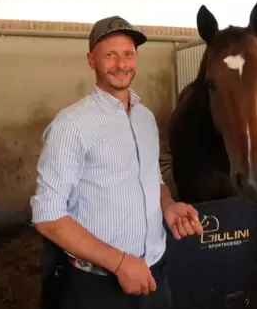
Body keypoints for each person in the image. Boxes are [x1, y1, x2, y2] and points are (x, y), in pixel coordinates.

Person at [29, 15, 204, 309]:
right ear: (91, 60)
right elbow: (47, 216)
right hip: (98, 286)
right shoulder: (71, 124)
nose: (121, 64)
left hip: (154, 274)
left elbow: (152, 178)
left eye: (128, 54)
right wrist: (120, 262)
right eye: (110, 55)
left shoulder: (145, 117)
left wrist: (168, 205)